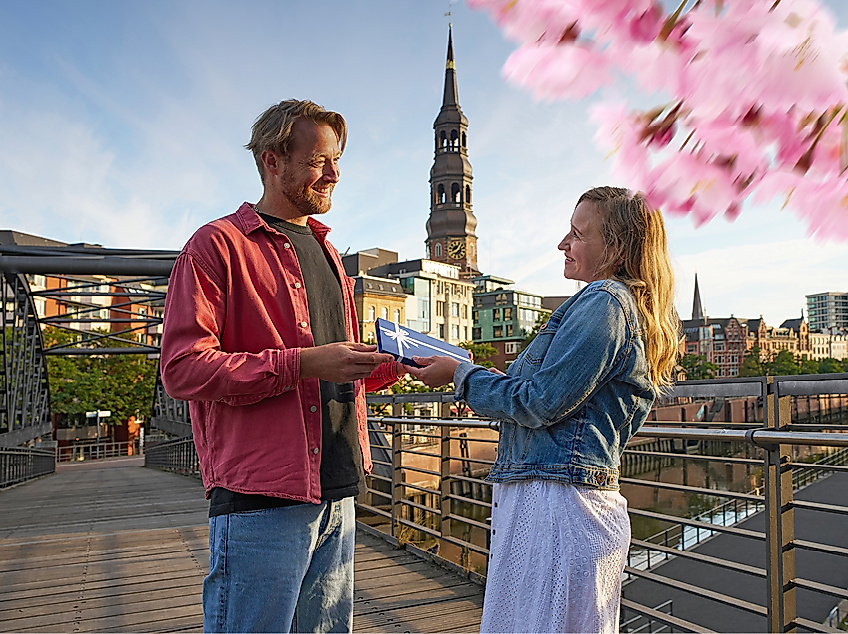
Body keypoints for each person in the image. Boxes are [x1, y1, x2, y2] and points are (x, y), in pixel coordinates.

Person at [159, 99, 401, 633]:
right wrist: (303, 363)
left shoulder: (329, 254)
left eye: (336, 161)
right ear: (273, 160)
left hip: (338, 489)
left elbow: (334, 372)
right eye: (319, 161)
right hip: (261, 499)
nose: (334, 174)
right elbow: (183, 369)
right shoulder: (216, 246)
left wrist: (392, 364)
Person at [405, 186, 679, 634]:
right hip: (556, 496)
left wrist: (461, 376)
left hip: (558, 503)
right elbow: (534, 397)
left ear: (616, 246)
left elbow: (538, 402)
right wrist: (465, 371)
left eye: (577, 233)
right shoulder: (610, 304)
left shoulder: (605, 302)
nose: (562, 244)